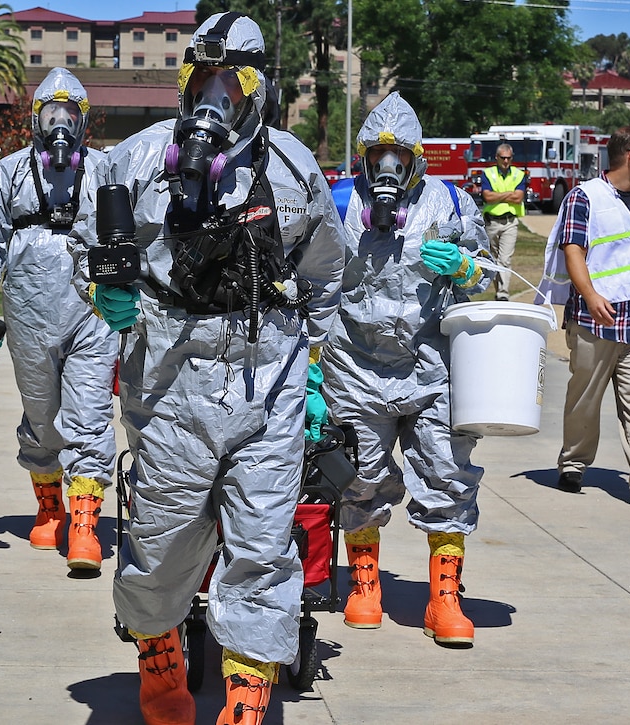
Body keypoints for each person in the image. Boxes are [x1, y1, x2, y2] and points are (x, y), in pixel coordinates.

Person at [69, 12, 345, 724]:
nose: (215, 96)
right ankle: (160, 656)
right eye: (202, 79)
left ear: (259, 89)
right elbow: (79, 243)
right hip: (168, 373)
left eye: (233, 81)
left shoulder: (291, 168)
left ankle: (248, 692)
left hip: (267, 374)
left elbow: (326, 276)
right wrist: (105, 287)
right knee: (161, 542)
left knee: (262, 540)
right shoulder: (134, 162)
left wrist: (313, 371)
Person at [319, 92, 493, 645]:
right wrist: (312, 360)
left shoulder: (453, 204)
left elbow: (488, 277)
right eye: (376, 155)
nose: (386, 168)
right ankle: (364, 582)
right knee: (358, 478)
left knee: (447, 477)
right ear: (363, 157)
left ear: (418, 159)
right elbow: (312, 275)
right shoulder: (338, 201)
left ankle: (445, 597)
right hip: (354, 364)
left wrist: (466, 266)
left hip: (431, 363)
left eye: (398, 156)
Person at [0, 68, 117, 571]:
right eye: (51, 114)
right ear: (36, 120)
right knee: (41, 414)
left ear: (83, 121)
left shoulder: (105, 171)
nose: (60, 125)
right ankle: (49, 504)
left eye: (69, 115)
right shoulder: (8, 174)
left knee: (90, 414)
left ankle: (85, 524)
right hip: (28, 314)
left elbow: (129, 230)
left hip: (91, 311)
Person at [536, 126, 630, 508]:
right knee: (586, 396)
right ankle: (573, 462)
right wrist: (590, 295)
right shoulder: (584, 197)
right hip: (595, 317)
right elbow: (573, 251)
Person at [480, 142, 526, 301]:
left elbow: (518, 197)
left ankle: (503, 294)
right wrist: (508, 194)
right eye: (502, 158)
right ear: (496, 158)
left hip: (510, 222)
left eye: (508, 158)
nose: (506, 161)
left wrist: (497, 195)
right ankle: (499, 292)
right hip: (491, 222)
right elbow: (487, 197)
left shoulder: (518, 175)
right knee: (493, 260)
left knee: (505, 259)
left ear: (512, 158)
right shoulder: (488, 173)